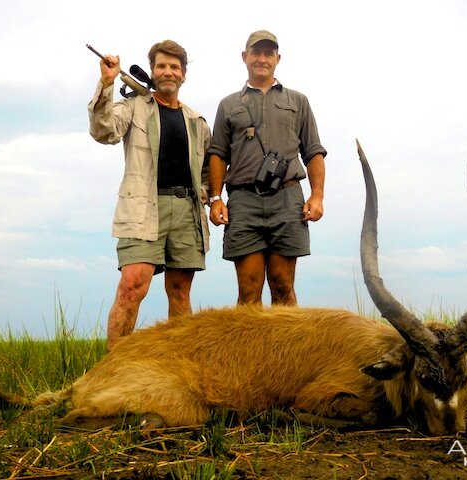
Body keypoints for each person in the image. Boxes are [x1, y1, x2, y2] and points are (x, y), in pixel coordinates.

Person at [88, 40, 211, 350]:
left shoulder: (197, 121)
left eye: (174, 67)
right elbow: (103, 131)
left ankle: (178, 370)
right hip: (143, 208)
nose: (167, 71)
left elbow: (207, 169)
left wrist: (210, 192)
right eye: (161, 66)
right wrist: (106, 83)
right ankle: (114, 371)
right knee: (131, 287)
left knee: (180, 292)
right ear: (153, 72)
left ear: (184, 74)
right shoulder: (132, 107)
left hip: (186, 210)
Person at [207, 30, 326, 306]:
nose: (262, 59)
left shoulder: (298, 101)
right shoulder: (228, 105)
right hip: (243, 200)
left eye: (268, 53)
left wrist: (317, 196)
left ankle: (288, 351)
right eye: (256, 53)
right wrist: (216, 199)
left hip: (288, 199)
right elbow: (218, 154)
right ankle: (247, 351)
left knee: (283, 286)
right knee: (248, 290)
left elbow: (314, 151)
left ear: (278, 58)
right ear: (244, 57)